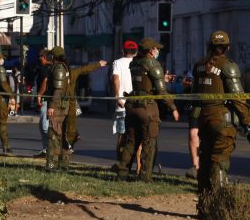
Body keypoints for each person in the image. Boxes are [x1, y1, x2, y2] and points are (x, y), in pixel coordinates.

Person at [193, 30, 250, 216]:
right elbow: (238, 98)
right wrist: (246, 120)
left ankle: (203, 207)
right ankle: (218, 207)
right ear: (227, 47)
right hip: (222, 120)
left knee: (205, 162)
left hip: (204, 118)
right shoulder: (228, 66)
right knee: (219, 163)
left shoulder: (199, 65)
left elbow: (195, 94)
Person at [115, 38, 179, 182]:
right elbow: (161, 91)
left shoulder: (134, 63)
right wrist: (173, 107)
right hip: (147, 107)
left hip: (132, 105)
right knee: (149, 142)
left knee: (131, 141)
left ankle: (122, 173)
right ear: (151, 51)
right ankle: (144, 176)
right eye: (156, 49)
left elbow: (145, 82)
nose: (158, 51)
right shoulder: (153, 64)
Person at [63, 58, 108, 152]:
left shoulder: (68, 73)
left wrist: (98, 64)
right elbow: (84, 69)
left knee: (69, 124)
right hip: (69, 102)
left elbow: (84, 69)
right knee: (70, 124)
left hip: (68, 102)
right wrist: (98, 64)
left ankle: (69, 144)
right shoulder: (72, 72)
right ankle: (70, 141)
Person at [112, 40, 138, 163]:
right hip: (137, 104)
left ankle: (120, 162)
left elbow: (116, 79)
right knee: (137, 136)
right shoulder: (139, 63)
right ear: (136, 52)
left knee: (122, 135)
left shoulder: (117, 63)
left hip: (122, 104)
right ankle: (138, 166)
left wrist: (118, 97)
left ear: (123, 51)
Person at [45, 46, 71, 170]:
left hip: (58, 106)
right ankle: (62, 164)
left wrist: (51, 106)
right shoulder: (60, 67)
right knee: (60, 134)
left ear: (54, 56)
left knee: (53, 134)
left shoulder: (59, 68)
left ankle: (52, 164)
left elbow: (58, 90)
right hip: (60, 105)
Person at [34, 50, 52, 157]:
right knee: (42, 126)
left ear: (44, 57)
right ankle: (46, 149)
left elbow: (45, 81)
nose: (39, 58)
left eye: (40, 56)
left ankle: (50, 149)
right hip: (50, 99)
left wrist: (39, 95)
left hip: (46, 99)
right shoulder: (53, 67)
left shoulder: (45, 68)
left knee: (44, 126)